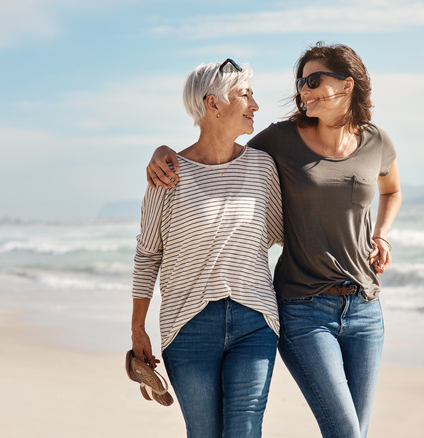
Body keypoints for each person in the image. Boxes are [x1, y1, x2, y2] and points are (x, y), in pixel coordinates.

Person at [147, 42, 402, 438]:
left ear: (347, 84)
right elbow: (220, 154)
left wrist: (382, 235)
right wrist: (165, 152)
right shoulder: (280, 140)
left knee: (357, 432)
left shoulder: (376, 141)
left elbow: (392, 191)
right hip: (303, 307)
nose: (304, 90)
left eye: (314, 80)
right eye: (301, 82)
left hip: (366, 305)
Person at [131, 58, 284, 438]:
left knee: (245, 428)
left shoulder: (263, 167)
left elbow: (284, 234)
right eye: (245, 95)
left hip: (256, 320)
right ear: (213, 104)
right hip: (188, 326)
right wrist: (138, 330)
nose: (255, 105)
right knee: (204, 433)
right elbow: (148, 254)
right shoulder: (168, 172)